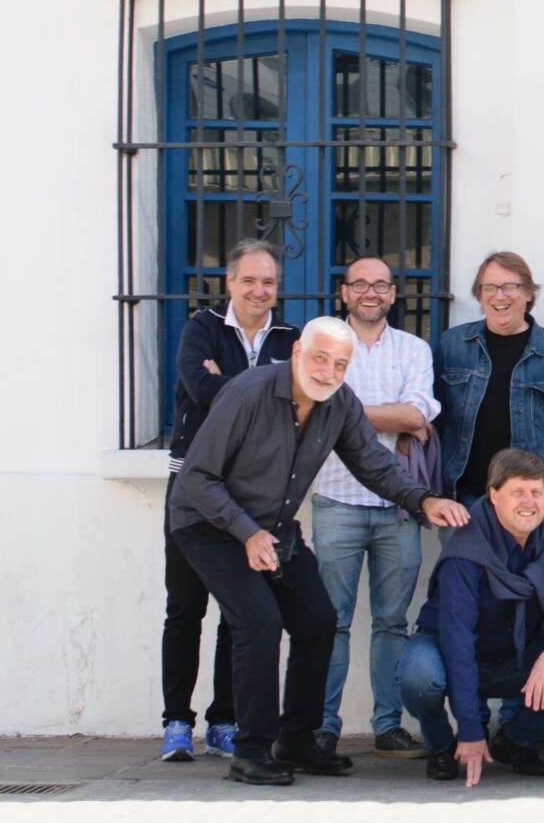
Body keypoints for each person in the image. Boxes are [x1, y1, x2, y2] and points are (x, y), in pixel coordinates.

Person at [169, 317, 471, 785]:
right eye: (319, 358)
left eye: (340, 364)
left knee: (318, 620)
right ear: (296, 354)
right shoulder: (247, 394)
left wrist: (424, 500)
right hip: (209, 524)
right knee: (258, 623)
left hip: (274, 527)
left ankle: (296, 740)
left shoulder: (339, 404)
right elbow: (197, 477)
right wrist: (246, 533)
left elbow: (374, 465)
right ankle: (250, 751)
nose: (328, 372)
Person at [160, 240, 298, 762]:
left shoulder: (291, 337)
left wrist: (233, 383)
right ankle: (177, 720)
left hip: (251, 493)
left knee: (238, 612)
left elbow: (294, 400)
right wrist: (262, 388)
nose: (259, 291)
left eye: (268, 283)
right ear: (230, 283)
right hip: (193, 487)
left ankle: (224, 719)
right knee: (185, 608)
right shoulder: (202, 328)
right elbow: (199, 388)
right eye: (249, 281)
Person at [398, 449, 544, 785]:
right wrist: (470, 729)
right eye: (517, 492)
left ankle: (519, 740)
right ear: (493, 496)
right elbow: (458, 640)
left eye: (536, 492)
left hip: (515, 656)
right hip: (451, 654)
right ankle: (440, 746)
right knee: (418, 676)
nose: (529, 502)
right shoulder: (466, 544)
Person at [307, 255, 441, 760]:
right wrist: (385, 419)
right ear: (344, 293)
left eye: (380, 285)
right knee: (332, 621)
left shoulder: (414, 349)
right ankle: (323, 726)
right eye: (359, 284)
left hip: (397, 506)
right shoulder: (324, 346)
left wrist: (346, 411)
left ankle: (388, 726)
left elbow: (416, 413)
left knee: (391, 621)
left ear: (392, 294)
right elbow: (315, 405)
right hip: (335, 500)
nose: (370, 293)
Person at [436, 252, 544, 509]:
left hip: (530, 499)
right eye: (490, 287)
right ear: (480, 294)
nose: (499, 296)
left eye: (510, 287)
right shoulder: (452, 345)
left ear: (528, 293)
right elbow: (435, 418)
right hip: (463, 500)